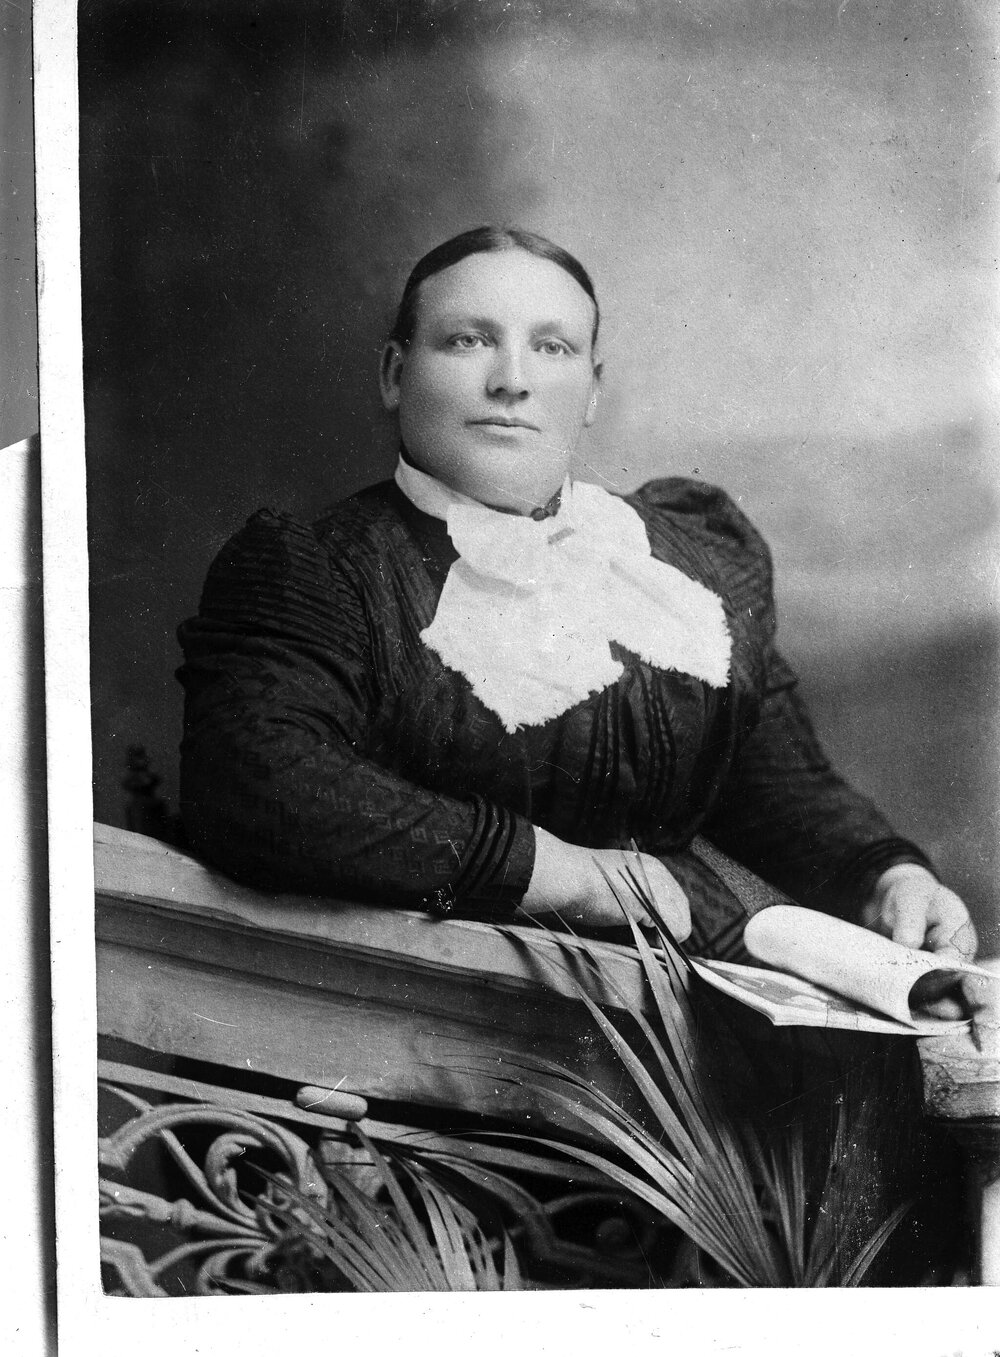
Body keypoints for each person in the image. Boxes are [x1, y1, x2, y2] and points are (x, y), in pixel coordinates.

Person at [176, 225, 978, 990]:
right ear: (395, 371)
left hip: (680, 1010)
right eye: (467, 340)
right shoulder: (320, 568)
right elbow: (258, 783)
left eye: (551, 347)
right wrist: (562, 872)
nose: (511, 380)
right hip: (425, 1010)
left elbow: (771, 780)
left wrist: (883, 872)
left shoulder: (687, 562)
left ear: (592, 389)